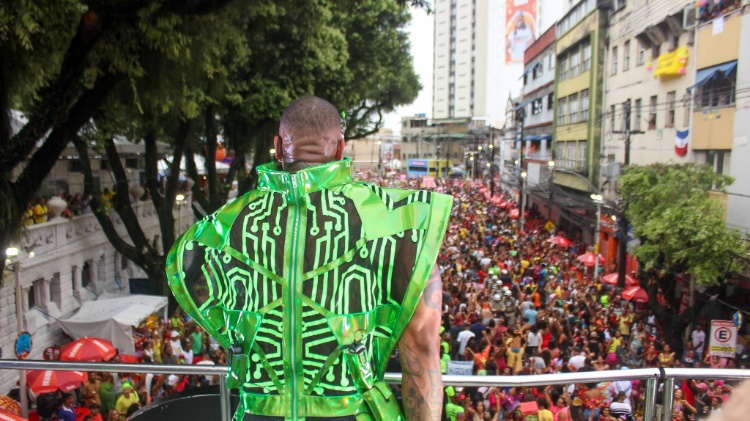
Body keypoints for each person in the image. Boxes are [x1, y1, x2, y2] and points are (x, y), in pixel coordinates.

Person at [167, 96, 452, 420]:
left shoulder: (226, 226)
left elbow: (210, 307)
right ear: (341, 148)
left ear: (278, 146)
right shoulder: (397, 225)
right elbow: (423, 348)